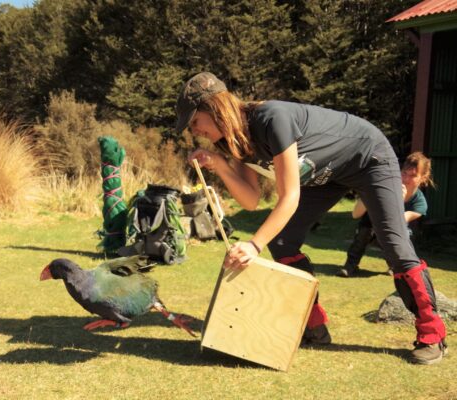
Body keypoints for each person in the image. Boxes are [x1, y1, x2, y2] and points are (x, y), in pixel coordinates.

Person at [175, 71, 447, 365]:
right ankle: (313, 327)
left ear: (215, 109)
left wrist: (253, 246)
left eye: (195, 122)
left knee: (393, 243)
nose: (195, 131)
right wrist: (220, 165)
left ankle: (433, 333)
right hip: (329, 177)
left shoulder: (270, 118)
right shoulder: (234, 142)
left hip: (369, 158)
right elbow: (251, 201)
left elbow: (290, 196)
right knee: (282, 241)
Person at [338, 152, 433, 277]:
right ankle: (350, 266)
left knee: (402, 235)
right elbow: (356, 214)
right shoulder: (385, 188)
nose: (406, 179)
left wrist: (399, 199)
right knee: (362, 235)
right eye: (404, 173)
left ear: (423, 178)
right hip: (370, 225)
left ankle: (395, 266)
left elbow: (398, 221)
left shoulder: (419, 203)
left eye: (413, 175)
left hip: (392, 228)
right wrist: (368, 194)